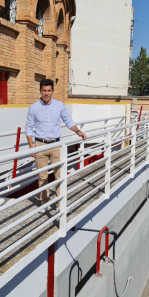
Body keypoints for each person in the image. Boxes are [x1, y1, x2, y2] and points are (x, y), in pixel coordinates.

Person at [25, 79, 87, 208]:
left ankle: (59, 204)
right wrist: (31, 148)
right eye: (44, 90)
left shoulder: (59, 105)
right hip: (40, 145)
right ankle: (45, 202)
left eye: (49, 90)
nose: (46, 93)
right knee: (42, 177)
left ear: (52, 91)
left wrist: (78, 131)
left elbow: (68, 120)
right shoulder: (33, 108)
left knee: (59, 175)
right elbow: (28, 128)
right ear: (40, 91)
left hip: (55, 145)